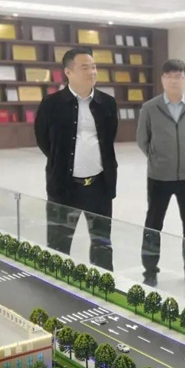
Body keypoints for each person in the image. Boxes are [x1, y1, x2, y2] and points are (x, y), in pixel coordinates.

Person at [35, 47, 117, 271]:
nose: (92, 72)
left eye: (94, 67)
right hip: (64, 186)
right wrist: (62, 162)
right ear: (68, 72)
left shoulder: (107, 103)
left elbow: (109, 139)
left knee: (102, 244)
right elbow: (43, 140)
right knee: (58, 245)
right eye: (85, 68)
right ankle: (56, 285)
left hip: (99, 186)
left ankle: (103, 284)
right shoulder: (51, 104)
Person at [136, 59, 185, 288]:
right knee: (153, 223)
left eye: (178, 76)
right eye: (169, 76)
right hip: (159, 177)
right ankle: (150, 271)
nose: (173, 80)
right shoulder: (150, 108)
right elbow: (142, 140)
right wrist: (158, 158)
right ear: (162, 79)